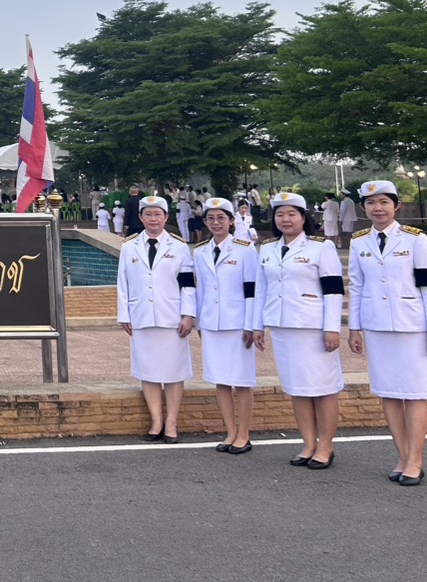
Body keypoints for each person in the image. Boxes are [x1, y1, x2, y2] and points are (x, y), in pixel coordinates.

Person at [347, 180, 427, 486]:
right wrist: (354, 327)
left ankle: (416, 460)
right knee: (388, 393)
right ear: (363, 208)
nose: (378, 209)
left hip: (412, 326)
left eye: (384, 202)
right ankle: (402, 456)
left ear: (396, 206)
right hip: (377, 327)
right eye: (371, 203)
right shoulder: (359, 242)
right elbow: (357, 286)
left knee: (415, 394)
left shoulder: (416, 239)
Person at [257, 192, 343, 470]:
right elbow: (262, 290)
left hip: (313, 328)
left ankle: (326, 446)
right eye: (280, 214)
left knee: (324, 388)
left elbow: (334, 290)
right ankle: (308, 443)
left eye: (292, 214)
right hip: (282, 328)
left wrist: (332, 328)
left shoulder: (321, 247)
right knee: (297, 388)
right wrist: (257, 325)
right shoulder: (267, 249)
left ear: (304, 218)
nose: (286, 219)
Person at [116, 195, 195, 443]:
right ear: (141, 218)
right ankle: (156, 420)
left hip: (172, 318)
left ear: (166, 217)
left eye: (157, 214)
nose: (153, 219)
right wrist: (124, 314)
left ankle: (171, 422)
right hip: (141, 317)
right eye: (148, 214)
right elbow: (122, 283)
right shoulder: (129, 246)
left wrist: (188, 314)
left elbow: (188, 285)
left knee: (174, 371)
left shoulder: (179, 247)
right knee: (147, 371)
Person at [193, 198, 261, 454]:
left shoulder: (245, 249)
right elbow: (200, 290)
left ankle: (244, 433)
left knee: (241, 381)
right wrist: (200, 322)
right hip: (211, 323)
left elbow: (252, 290)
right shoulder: (200, 251)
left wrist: (251, 324)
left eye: (221, 218)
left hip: (237, 324)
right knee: (220, 380)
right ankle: (230, 432)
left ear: (231, 221)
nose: (216, 223)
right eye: (210, 218)